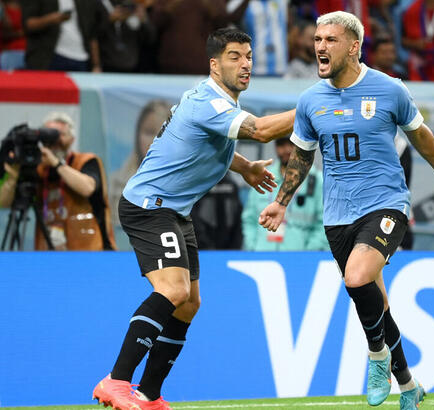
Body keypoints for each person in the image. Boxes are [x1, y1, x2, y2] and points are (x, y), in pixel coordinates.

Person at [258, 11, 434, 410]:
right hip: (337, 215)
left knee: (357, 279)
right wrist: (280, 201)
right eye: (318, 39)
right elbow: (303, 158)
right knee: (375, 301)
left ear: (354, 46)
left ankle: (377, 359)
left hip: (386, 203)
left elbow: (420, 135)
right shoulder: (310, 100)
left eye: (330, 40)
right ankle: (408, 384)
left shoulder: (389, 89)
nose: (320, 46)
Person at [92, 27, 295, 410]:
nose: (245, 64)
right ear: (214, 64)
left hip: (174, 211)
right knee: (173, 290)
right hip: (149, 207)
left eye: (249, 55)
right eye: (235, 56)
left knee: (188, 303)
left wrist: (245, 167)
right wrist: (315, 105)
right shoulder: (209, 102)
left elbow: (206, 142)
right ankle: (116, 380)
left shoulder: (217, 102)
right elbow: (263, 130)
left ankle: (149, 395)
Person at [0, 112, 116, 250]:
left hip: (90, 252)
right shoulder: (39, 169)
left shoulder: (86, 161)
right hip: (51, 254)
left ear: (72, 139)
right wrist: (13, 175)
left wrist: (56, 163)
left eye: (60, 134)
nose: (55, 140)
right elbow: (3, 202)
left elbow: (88, 188)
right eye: (48, 133)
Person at [242, 136, 328, 251]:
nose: (287, 149)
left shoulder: (317, 181)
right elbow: (249, 219)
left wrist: (308, 254)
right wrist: (253, 247)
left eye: (292, 144)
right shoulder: (263, 176)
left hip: (301, 260)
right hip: (262, 257)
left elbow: (324, 224)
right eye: (281, 144)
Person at [109, 99, 172, 227]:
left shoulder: (188, 181)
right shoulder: (115, 182)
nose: (155, 140)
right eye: (149, 132)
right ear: (137, 135)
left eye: (163, 132)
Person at [20, 0, 103, 71]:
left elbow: (92, 33)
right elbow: (28, 24)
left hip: (81, 58)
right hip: (49, 57)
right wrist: (51, 19)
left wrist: (96, 65)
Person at [190, 172, 243, 249]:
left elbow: (238, 217)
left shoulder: (232, 185)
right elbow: (194, 217)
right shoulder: (199, 186)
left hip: (225, 244)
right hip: (203, 244)